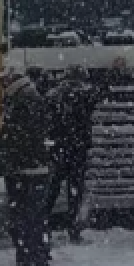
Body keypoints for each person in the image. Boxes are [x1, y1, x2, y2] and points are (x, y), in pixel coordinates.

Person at [0, 65, 51, 266]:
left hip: (25, 172)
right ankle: (32, 262)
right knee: (30, 220)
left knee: (23, 222)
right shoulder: (26, 99)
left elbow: (22, 139)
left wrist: (13, 163)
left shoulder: (23, 101)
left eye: (3, 81)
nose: (0, 85)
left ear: (11, 80)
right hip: (29, 170)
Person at [45, 65, 102, 243]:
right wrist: (115, 72)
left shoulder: (53, 95)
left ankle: (43, 224)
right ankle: (73, 228)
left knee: (52, 188)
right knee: (75, 190)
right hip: (78, 148)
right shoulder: (85, 94)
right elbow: (101, 92)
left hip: (58, 147)